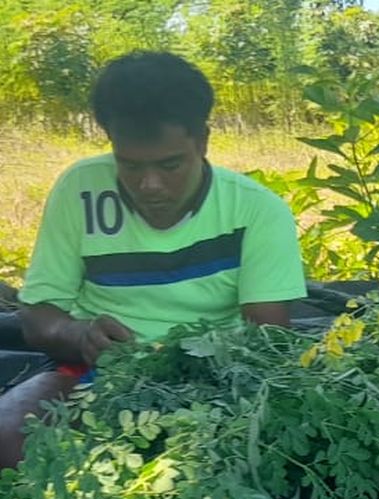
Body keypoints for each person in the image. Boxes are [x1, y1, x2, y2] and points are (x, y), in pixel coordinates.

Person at [0, 51, 307, 468]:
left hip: (217, 382)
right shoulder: (80, 190)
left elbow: (268, 338)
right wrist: (80, 335)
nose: (150, 185)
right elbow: (38, 317)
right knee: (11, 438)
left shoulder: (258, 210)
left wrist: (197, 380)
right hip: (95, 376)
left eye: (170, 165)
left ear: (203, 141)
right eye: (128, 165)